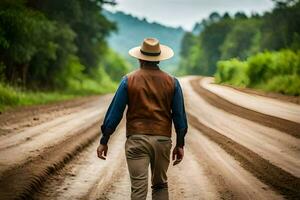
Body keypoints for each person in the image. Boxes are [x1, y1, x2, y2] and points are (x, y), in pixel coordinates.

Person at [96, 37, 188, 200]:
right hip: (162, 141)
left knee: (138, 190)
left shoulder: (128, 80)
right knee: (160, 186)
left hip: (136, 140)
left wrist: (104, 140)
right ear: (159, 58)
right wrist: (180, 144)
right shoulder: (173, 82)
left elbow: (115, 113)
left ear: (139, 57)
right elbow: (179, 117)